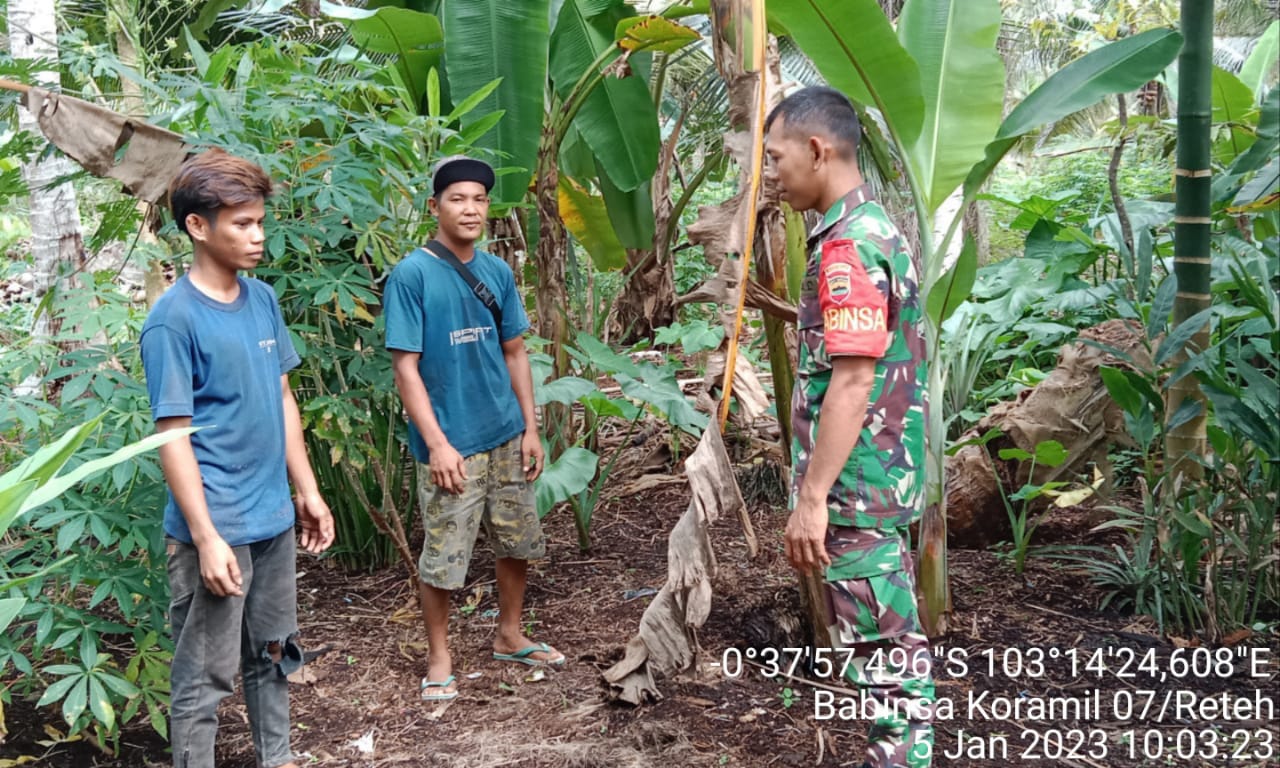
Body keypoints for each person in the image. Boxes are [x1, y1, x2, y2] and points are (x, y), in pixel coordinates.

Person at [140, 148, 335, 768]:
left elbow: (282, 396)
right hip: (217, 525)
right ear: (198, 226)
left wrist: (306, 490)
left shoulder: (262, 299)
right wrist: (205, 538)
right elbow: (172, 435)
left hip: (272, 519)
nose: (258, 236)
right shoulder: (173, 321)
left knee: (274, 653)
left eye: (260, 223)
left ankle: (277, 758)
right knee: (204, 676)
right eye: (242, 224)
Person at [766, 87, 935, 768]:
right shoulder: (875, 228)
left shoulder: (848, 248)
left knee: (884, 654)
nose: (771, 173)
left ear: (816, 150)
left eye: (775, 157)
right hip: (880, 474)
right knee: (889, 645)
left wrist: (812, 499)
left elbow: (854, 379)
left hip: (857, 486)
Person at [384, 155, 561, 702]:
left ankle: (509, 634)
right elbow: (405, 368)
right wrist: (437, 444)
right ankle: (439, 657)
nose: (470, 209)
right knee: (442, 558)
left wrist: (530, 428)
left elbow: (515, 352)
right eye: (457, 199)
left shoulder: (498, 272)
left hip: (505, 431)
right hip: (451, 443)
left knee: (516, 540)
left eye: (479, 199)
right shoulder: (412, 275)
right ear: (434, 207)